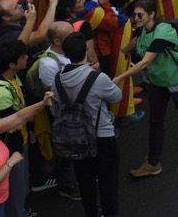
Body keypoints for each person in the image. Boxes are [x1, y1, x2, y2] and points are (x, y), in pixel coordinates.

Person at [125, 0, 178, 179]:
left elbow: (145, 62)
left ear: (151, 14)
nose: (136, 18)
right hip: (158, 81)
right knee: (156, 120)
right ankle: (152, 163)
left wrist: (118, 78)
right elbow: (133, 46)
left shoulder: (162, 32)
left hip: (175, 78)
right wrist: (124, 49)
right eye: (134, 15)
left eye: (140, 15)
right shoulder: (142, 30)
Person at [52, 31, 125, 217]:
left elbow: (56, 107)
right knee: (108, 182)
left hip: (74, 137)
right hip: (102, 136)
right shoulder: (97, 78)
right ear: (86, 50)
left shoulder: (57, 80)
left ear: (66, 53)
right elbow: (117, 96)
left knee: (85, 182)